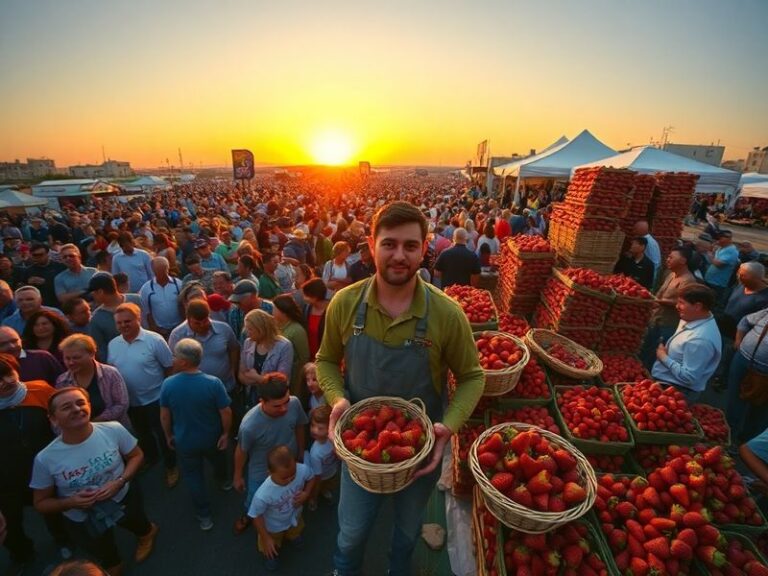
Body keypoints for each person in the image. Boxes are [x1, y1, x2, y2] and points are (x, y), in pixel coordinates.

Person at [316, 201, 484, 576]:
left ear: (425, 249)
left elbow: (473, 376)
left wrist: (448, 427)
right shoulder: (345, 304)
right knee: (351, 533)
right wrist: (339, 399)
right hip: (360, 447)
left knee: (407, 531)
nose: (399, 255)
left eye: (410, 246)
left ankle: (398, 569)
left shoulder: (446, 313)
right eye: (389, 244)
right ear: (371, 246)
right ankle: (345, 569)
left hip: (421, 451)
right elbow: (326, 360)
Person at [30, 387, 158, 576]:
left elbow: (136, 456)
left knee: (136, 521)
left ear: (89, 406)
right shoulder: (45, 458)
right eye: (66, 407)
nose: (76, 409)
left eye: (80, 403)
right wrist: (71, 502)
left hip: (122, 498)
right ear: (53, 419)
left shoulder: (112, 429)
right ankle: (112, 563)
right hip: (81, 516)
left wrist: (120, 481)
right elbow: (41, 503)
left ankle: (146, 534)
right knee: (101, 546)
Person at [0, 353, 71, 573]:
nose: (4, 383)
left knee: (53, 510)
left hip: (45, 470)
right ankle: (22, 554)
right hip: (7, 477)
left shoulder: (40, 390)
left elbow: (62, 423)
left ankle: (63, 540)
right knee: (10, 521)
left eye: (8, 375)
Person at [160, 338, 232, 531]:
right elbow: (225, 411)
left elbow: (165, 415)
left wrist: (168, 435)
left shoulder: (168, 384)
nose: (172, 360)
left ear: (184, 361)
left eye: (175, 356)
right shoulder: (213, 383)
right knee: (218, 461)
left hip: (185, 441)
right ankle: (224, 481)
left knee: (193, 478)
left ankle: (204, 516)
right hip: (212, 438)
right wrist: (225, 433)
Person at [109, 303, 177, 486]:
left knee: (164, 434)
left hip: (156, 399)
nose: (123, 325)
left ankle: (172, 466)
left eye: (128, 321)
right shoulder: (113, 344)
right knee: (143, 434)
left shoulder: (154, 340)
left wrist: (168, 395)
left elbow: (169, 367)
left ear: (138, 319)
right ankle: (151, 458)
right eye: (119, 322)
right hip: (130, 402)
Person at [233, 373, 307, 535]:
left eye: (286, 402)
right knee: (255, 499)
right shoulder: (249, 426)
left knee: (287, 494)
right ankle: (249, 516)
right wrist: (237, 475)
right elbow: (242, 450)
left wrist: (301, 451)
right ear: (262, 402)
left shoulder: (294, 403)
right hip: (261, 473)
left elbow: (300, 426)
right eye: (277, 406)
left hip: (289, 463)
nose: (284, 409)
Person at [247, 445, 315, 572]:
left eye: (293, 475)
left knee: (295, 528)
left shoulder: (301, 469)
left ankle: (293, 535)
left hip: (295, 515)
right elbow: (255, 516)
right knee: (272, 544)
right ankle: (271, 554)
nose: (290, 480)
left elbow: (311, 477)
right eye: (284, 478)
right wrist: (266, 538)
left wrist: (306, 493)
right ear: (270, 473)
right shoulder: (263, 494)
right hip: (273, 527)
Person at [652, 284, 722, 403]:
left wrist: (663, 357)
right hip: (668, 384)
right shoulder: (693, 317)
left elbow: (690, 377)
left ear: (697, 306)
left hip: (676, 391)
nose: (677, 306)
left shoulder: (700, 340)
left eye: (681, 303)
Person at [641, 247, 697, 369]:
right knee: (645, 348)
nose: (667, 260)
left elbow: (684, 303)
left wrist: (659, 301)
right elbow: (660, 292)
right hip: (656, 319)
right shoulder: (671, 274)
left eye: (671, 257)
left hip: (668, 324)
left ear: (683, 260)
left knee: (654, 354)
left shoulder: (688, 281)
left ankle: (646, 375)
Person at [169, 299, 240, 394]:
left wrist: (233, 371)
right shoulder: (177, 335)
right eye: (197, 323)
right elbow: (174, 362)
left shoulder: (224, 329)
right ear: (188, 319)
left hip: (226, 387)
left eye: (205, 321)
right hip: (194, 391)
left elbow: (234, 349)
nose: (202, 326)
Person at [714, 262, 768, 388]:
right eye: (739, 273)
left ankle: (722, 381)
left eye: (743, 275)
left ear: (756, 278)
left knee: (727, 361)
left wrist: (739, 340)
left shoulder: (765, 298)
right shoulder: (740, 285)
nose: (738, 276)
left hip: (737, 337)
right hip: (722, 328)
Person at [56, 334, 130, 425]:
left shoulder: (110, 374)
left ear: (92, 354)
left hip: (113, 428)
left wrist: (94, 423)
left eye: (76, 358)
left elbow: (121, 404)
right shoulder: (62, 381)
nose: (71, 362)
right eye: (67, 358)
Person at [726, 309, 768, 443]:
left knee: (760, 411)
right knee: (735, 400)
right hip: (742, 361)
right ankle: (728, 436)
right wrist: (738, 341)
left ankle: (746, 442)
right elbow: (745, 321)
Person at [239, 309, 294, 408]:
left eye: (250, 329)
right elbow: (242, 373)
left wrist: (256, 377)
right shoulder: (248, 342)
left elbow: (281, 382)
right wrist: (264, 380)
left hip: (274, 401)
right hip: (250, 398)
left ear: (261, 328)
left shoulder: (284, 346)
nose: (247, 333)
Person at [86, 273, 142, 362]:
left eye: (93, 293)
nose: (92, 296)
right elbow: (101, 352)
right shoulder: (96, 319)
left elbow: (149, 325)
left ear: (100, 292)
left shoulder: (137, 300)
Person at [272, 294, 310, 402]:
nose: (272, 312)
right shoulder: (276, 326)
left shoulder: (297, 330)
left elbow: (304, 357)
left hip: (294, 377)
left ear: (283, 312)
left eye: (275, 309)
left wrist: (298, 382)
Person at [0, 325, 64, 386]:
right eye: (3, 344)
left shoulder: (42, 357)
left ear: (21, 340)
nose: (11, 346)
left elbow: (63, 383)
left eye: (14, 341)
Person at [139, 256, 182, 339]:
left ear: (168, 269)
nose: (162, 274)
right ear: (153, 270)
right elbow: (146, 312)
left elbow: (183, 305)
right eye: (158, 271)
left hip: (178, 328)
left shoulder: (178, 284)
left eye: (164, 270)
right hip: (160, 330)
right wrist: (154, 329)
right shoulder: (146, 289)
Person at [306, 405, 339, 511]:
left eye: (320, 428)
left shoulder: (333, 440)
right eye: (312, 425)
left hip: (331, 472)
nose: (314, 430)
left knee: (328, 485)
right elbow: (317, 476)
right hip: (320, 476)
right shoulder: (316, 452)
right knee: (317, 488)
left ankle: (324, 491)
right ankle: (313, 499)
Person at [19, 242, 66, 308]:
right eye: (35, 255)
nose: (38, 257)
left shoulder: (60, 267)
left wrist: (46, 281)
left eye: (40, 255)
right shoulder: (29, 271)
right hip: (39, 305)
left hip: (58, 303)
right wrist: (28, 284)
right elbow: (22, 288)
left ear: (47, 254)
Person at [705, 230, 740, 309]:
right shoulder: (721, 248)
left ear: (728, 239)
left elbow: (718, 264)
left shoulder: (731, 251)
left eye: (720, 238)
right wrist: (712, 248)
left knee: (712, 304)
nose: (718, 240)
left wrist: (710, 255)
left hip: (717, 284)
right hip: (711, 280)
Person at [302, 278, 330, 361]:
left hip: (325, 356)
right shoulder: (307, 308)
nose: (303, 298)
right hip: (310, 355)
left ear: (315, 296)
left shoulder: (331, 309)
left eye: (306, 295)